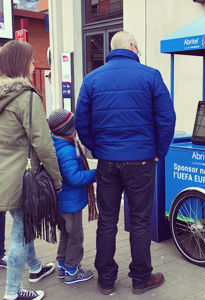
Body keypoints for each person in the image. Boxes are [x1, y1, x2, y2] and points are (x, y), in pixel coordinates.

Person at [75, 31, 176, 295]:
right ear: (132, 47)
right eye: (138, 49)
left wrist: (98, 150)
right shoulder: (150, 75)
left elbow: (81, 124)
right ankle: (141, 279)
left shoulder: (91, 79)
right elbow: (167, 119)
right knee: (140, 221)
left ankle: (106, 281)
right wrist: (159, 152)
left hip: (108, 162)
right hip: (142, 161)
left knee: (107, 221)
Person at [0, 41, 62, 300]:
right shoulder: (27, 97)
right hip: (22, 179)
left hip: (4, 174)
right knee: (21, 232)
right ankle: (12, 293)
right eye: (32, 60)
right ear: (21, 64)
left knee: (22, 225)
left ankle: (36, 268)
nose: (34, 65)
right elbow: (43, 142)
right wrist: (57, 179)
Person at [48, 109, 96, 285]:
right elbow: (74, 178)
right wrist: (97, 173)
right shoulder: (67, 149)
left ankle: (62, 266)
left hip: (61, 202)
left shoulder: (54, 143)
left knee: (65, 234)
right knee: (76, 236)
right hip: (71, 203)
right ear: (69, 129)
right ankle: (72, 271)